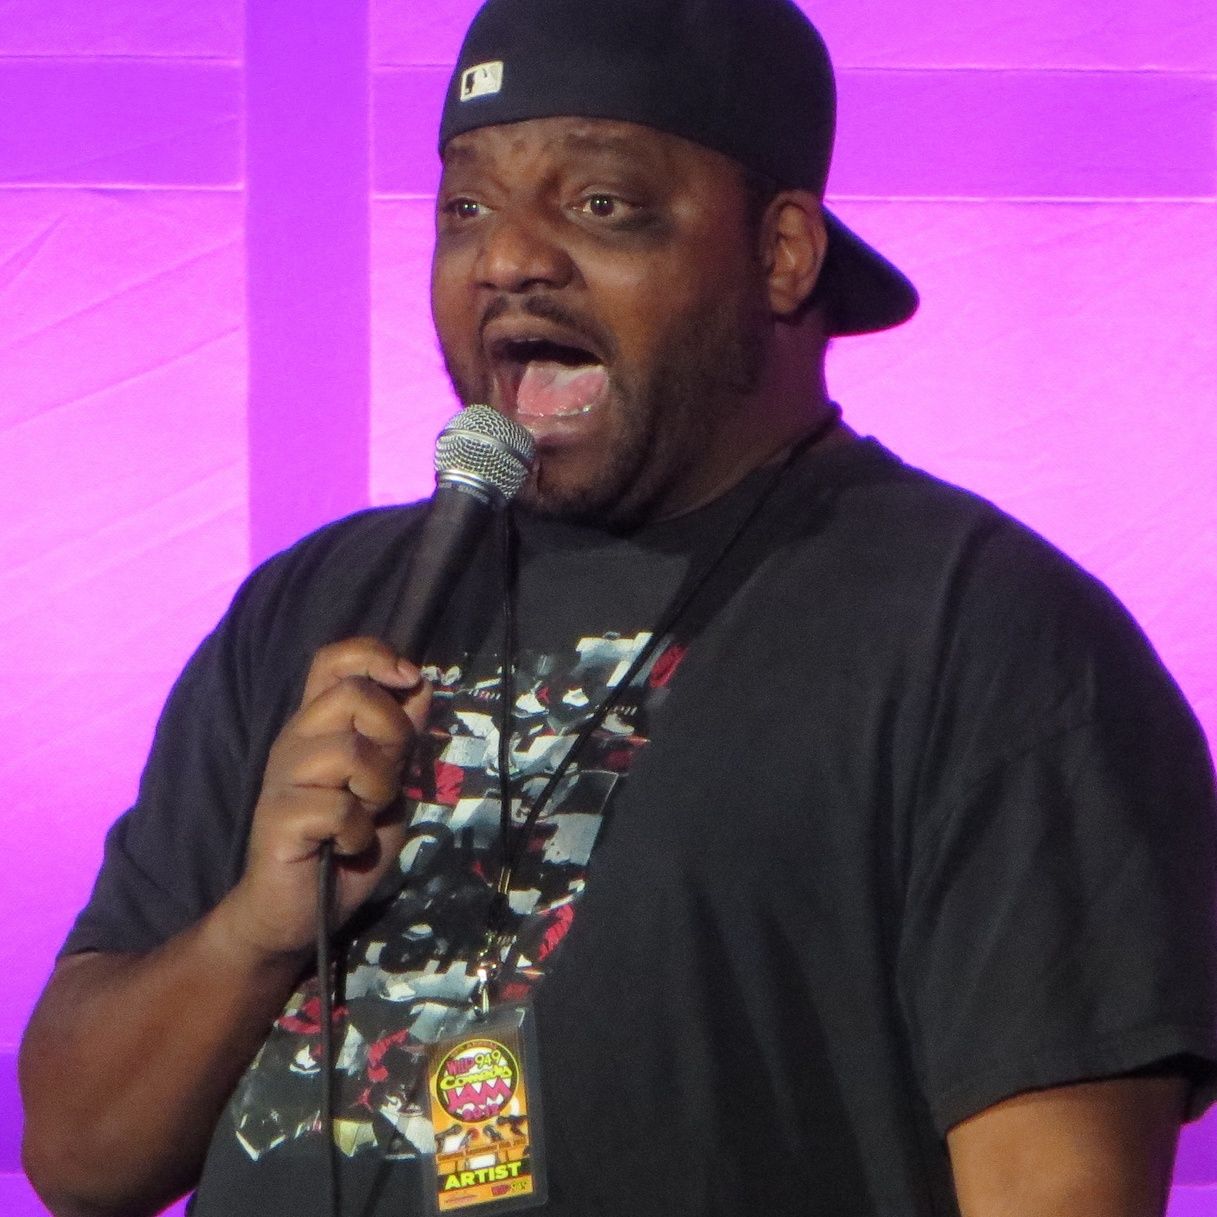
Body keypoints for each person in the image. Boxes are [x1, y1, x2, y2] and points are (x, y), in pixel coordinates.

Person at [20, 0, 1217, 1214]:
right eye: (465, 209)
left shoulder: (987, 634)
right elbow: (79, 1156)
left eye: (599, 204)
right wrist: (257, 929)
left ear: (780, 253)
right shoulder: (315, 606)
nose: (506, 260)